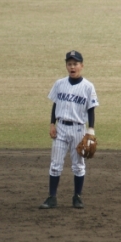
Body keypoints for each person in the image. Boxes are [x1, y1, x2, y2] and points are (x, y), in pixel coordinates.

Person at [40, 50, 99, 209]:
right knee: (55, 164)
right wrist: (52, 124)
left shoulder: (88, 87)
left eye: (75, 64)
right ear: (66, 66)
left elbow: (91, 109)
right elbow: (55, 105)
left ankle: (77, 197)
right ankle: (52, 197)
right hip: (60, 129)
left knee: (78, 165)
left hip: (78, 130)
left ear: (81, 66)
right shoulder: (59, 84)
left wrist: (91, 129)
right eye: (69, 64)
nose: (72, 67)